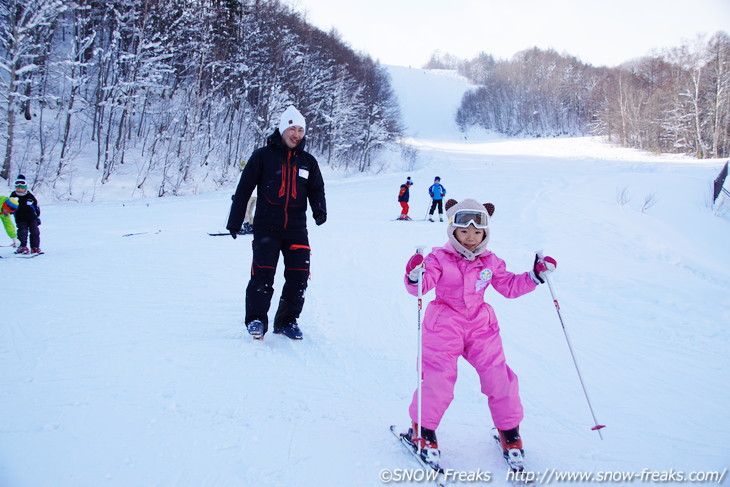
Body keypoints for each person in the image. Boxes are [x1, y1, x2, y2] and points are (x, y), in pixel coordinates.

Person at [398, 198, 557, 469]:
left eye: (476, 232)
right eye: (463, 231)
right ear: (452, 232)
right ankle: (422, 432)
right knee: (439, 379)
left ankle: (510, 434)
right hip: (443, 324)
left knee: (500, 377)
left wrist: (535, 276)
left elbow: (509, 286)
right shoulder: (438, 258)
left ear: (485, 233)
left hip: (481, 326)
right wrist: (415, 274)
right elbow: (421, 287)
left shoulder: (491, 261)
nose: (470, 237)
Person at [226, 105, 327, 340]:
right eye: (292, 128)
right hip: (266, 227)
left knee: (299, 276)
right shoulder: (263, 156)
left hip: (296, 229)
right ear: (282, 130)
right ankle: (256, 319)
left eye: (301, 129)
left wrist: (319, 210)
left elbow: (317, 188)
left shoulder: (308, 161)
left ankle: (287, 321)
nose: (297, 134)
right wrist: (235, 220)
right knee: (262, 275)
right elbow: (244, 189)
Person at [10, 175, 42, 254]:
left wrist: (37, 217)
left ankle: (35, 247)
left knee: (35, 232)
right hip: (20, 218)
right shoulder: (13, 196)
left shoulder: (29, 196)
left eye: (21, 188)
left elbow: (36, 207)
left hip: (32, 218)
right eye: (18, 188)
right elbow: (9, 207)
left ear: (25, 188)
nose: (19, 190)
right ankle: (22, 247)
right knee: (22, 232)